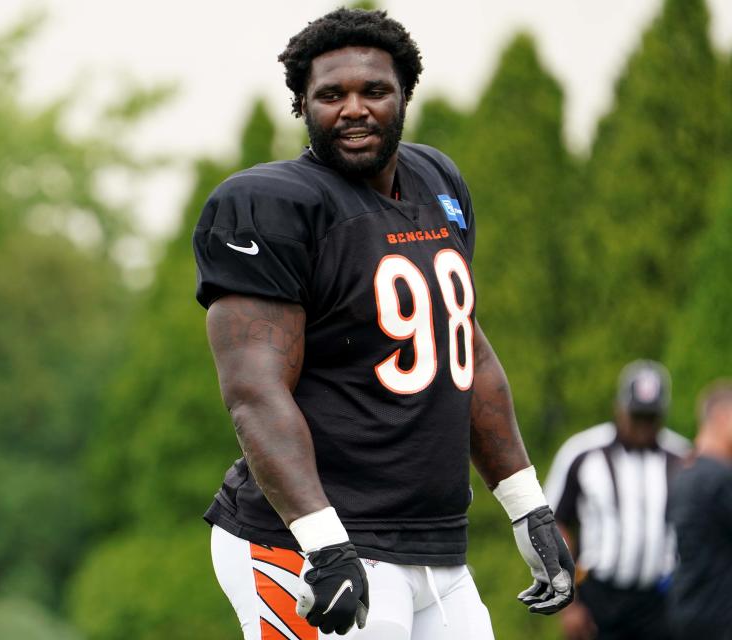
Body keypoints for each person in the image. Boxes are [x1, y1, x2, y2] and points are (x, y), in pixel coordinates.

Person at [192, 8, 574, 640]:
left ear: (404, 96)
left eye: (374, 90)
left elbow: (461, 346)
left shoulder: (437, 180)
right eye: (330, 94)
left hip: (434, 546)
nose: (354, 109)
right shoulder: (270, 204)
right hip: (316, 544)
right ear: (301, 105)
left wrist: (526, 504)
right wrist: (323, 544)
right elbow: (254, 393)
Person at [544, 360, 690, 640]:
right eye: (637, 416)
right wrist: (568, 603)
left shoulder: (682, 457)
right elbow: (552, 525)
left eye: (651, 417)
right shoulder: (584, 453)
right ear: (619, 408)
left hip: (660, 601)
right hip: (599, 598)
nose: (644, 427)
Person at [666, 381, 732, 640]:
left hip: (688, 607)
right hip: (721, 617)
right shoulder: (719, 478)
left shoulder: (684, 474)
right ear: (721, 417)